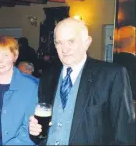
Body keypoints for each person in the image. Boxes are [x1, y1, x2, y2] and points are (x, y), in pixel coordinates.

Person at [29, 17, 135, 145]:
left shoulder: (111, 75)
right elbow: (42, 133)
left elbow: (124, 135)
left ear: (87, 42)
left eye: (71, 41)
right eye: (59, 43)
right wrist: (35, 131)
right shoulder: (48, 76)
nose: (64, 49)